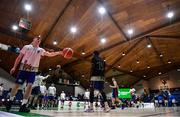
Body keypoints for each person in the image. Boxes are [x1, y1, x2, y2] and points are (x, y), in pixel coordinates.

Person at [6, 36, 63, 112]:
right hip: (23, 69)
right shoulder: (26, 47)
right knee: (17, 85)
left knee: (29, 86)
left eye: (40, 39)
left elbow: (49, 54)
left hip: (33, 71)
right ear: (33, 40)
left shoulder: (41, 50)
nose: (39, 39)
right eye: (37, 38)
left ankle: (23, 105)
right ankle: (10, 100)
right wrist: (14, 67)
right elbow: (19, 57)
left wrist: (59, 52)